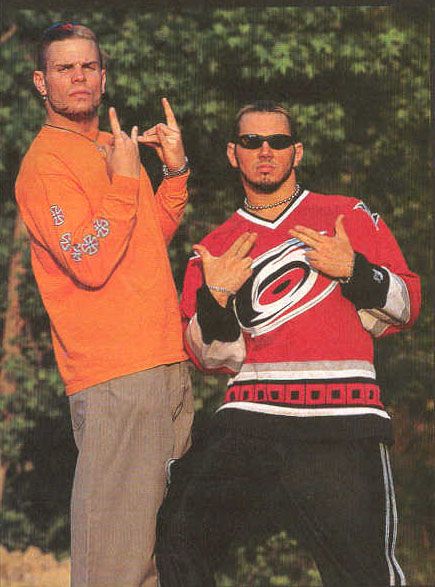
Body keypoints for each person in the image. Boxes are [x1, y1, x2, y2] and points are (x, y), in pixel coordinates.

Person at [155, 100, 421, 587]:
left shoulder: (347, 215)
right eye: (251, 142)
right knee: (175, 538)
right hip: (250, 420)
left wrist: (355, 272)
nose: (265, 151)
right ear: (233, 154)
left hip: (340, 421)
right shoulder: (215, 246)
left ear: (296, 152)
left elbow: (407, 306)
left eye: (277, 142)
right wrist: (215, 299)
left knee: (364, 576)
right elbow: (210, 356)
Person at [15, 22, 193, 587]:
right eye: (64, 69)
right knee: (114, 565)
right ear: (42, 83)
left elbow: (140, 242)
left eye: (88, 66)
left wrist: (174, 172)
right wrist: (121, 181)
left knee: (160, 559)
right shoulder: (46, 164)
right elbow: (88, 260)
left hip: (166, 365)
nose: (79, 78)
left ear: (104, 74)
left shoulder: (110, 149)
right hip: (116, 375)